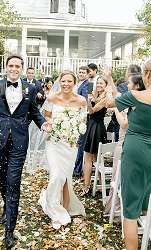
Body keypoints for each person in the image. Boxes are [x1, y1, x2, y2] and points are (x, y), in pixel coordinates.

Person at [105, 57, 151, 250]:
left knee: (130, 209)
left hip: (135, 150)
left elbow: (111, 103)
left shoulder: (136, 96)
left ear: (147, 75)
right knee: (147, 202)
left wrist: (109, 85)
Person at [0, 55, 50, 248]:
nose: (13, 68)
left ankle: (9, 231)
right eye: (10, 65)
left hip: (19, 143)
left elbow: (34, 112)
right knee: (3, 181)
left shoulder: (31, 88)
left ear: (21, 68)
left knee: (13, 183)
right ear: (6, 67)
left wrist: (43, 124)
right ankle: (7, 206)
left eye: (17, 66)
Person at [38, 71, 87, 229]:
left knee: (66, 177)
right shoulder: (52, 98)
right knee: (56, 176)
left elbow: (82, 120)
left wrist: (74, 129)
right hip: (54, 142)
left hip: (70, 144)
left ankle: (64, 209)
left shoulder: (81, 100)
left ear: (74, 83)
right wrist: (53, 124)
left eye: (69, 81)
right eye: (63, 81)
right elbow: (46, 116)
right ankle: (54, 209)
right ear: (60, 81)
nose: (66, 84)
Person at [104, 74, 145, 215]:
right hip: (137, 144)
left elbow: (124, 123)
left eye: (129, 83)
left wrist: (116, 108)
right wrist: (109, 78)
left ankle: (117, 209)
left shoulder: (135, 101)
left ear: (137, 85)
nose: (127, 85)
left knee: (118, 176)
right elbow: (117, 94)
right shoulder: (144, 98)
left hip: (126, 144)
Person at [80, 76, 109, 196]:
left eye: (101, 83)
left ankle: (88, 188)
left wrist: (88, 99)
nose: (99, 85)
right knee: (95, 159)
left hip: (96, 128)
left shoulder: (106, 98)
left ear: (106, 85)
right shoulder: (95, 96)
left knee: (90, 158)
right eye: (98, 83)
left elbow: (92, 111)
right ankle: (100, 187)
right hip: (91, 126)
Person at [74, 66, 90, 175]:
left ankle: (78, 169)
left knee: (80, 143)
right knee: (76, 142)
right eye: (79, 72)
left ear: (87, 74)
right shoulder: (78, 84)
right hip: (75, 114)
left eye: (83, 72)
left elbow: (84, 100)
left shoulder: (86, 85)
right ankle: (76, 167)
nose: (81, 74)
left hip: (81, 116)